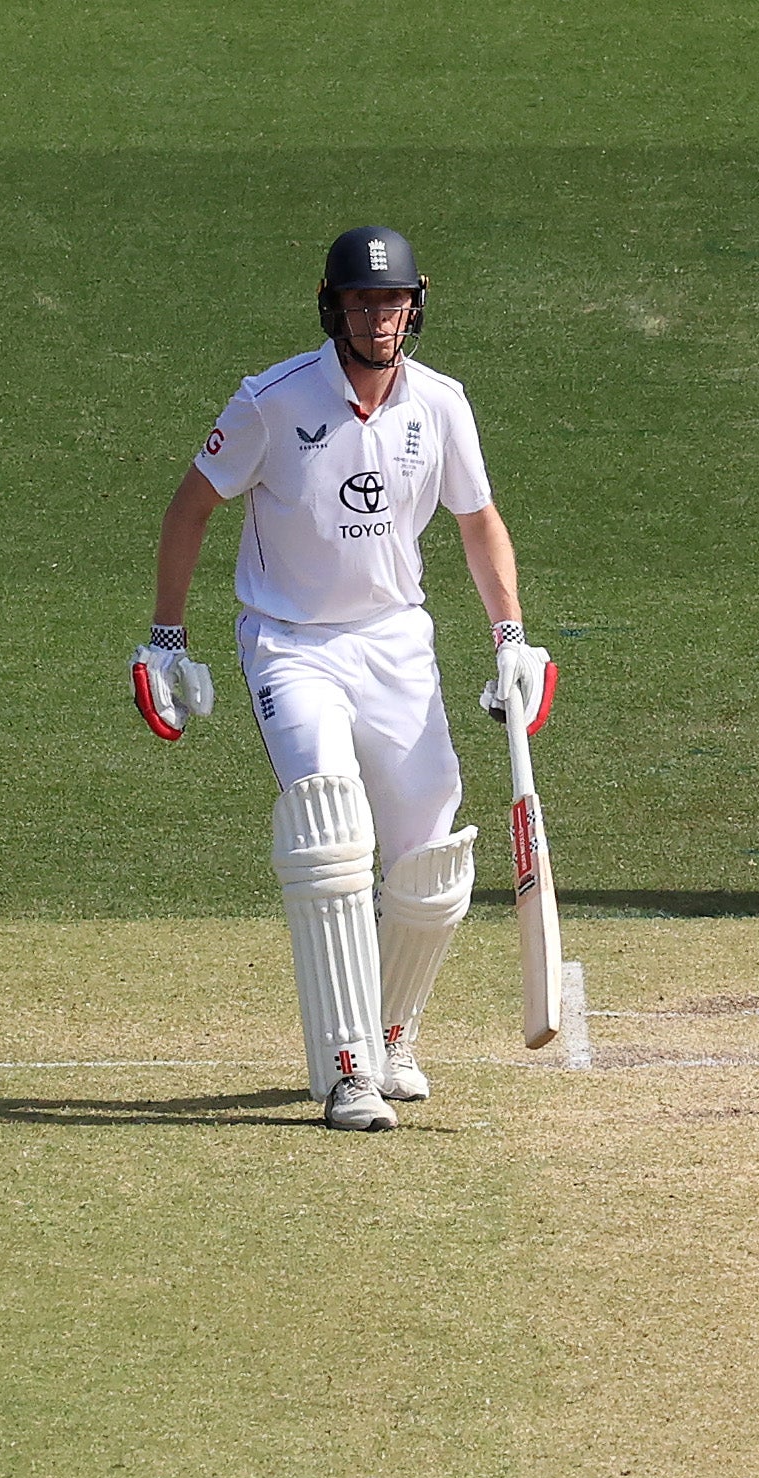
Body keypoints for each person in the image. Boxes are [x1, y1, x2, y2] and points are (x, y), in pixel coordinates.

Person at [133, 224, 555, 1132]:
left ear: (416, 304)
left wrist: (510, 639)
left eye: (392, 301)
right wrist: (166, 640)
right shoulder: (271, 402)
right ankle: (348, 1068)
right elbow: (189, 508)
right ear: (333, 307)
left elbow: (479, 523)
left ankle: (392, 1028)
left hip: (395, 642)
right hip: (291, 644)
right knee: (330, 825)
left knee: (430, 854)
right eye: (362, 303)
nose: (378, 318)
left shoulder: (440, 405)